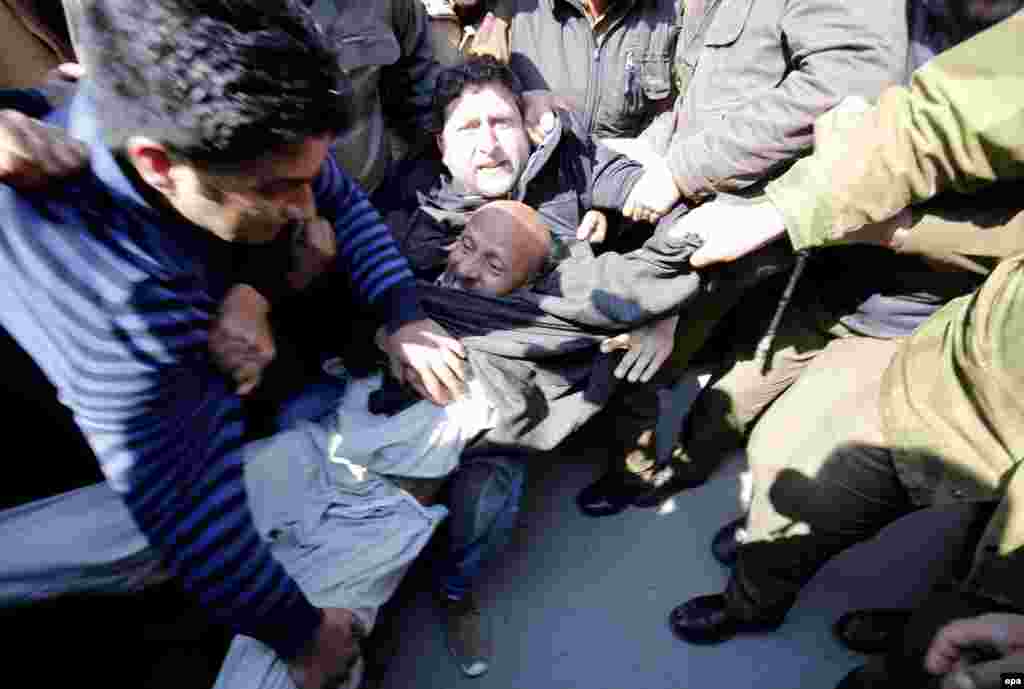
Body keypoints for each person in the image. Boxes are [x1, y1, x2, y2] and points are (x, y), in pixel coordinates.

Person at [0, 2, 470, 688]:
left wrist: (401, 312)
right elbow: (193, 513)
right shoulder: (115, 289)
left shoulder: (232, 134)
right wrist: (307, 636)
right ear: (159, 166)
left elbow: (338, 199)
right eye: (279, 191)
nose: (306, 213)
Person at [660, 13, 1024, 689]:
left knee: (981, 594)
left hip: (931, 310)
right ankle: (756, 596)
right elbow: (930, 124)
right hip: (961, 365)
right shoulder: (881, 18)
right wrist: (786, 208)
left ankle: (908, 634)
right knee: (796, 466)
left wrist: (902, 230)